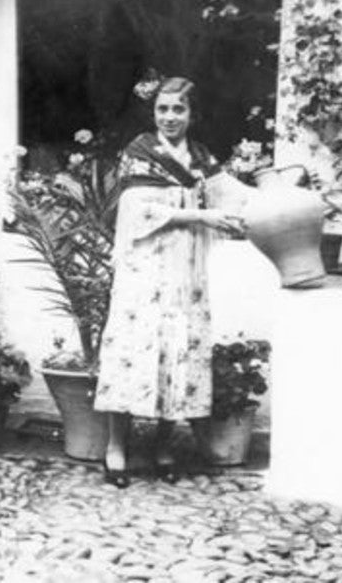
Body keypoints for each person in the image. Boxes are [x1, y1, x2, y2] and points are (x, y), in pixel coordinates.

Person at [93, 77, 245, 488]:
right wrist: (199, 215)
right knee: (132, 348)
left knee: (178, 349)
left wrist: (272, 196)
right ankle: (116, 447)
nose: (170, 117)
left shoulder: (199, 157)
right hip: (144, 269)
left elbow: (228, 194)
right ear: (153, 113)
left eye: (179, 109)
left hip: (185, 271)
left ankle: (163, 446)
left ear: (192, 114)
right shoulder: (141, 152)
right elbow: (134, 210)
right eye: (163, 109)